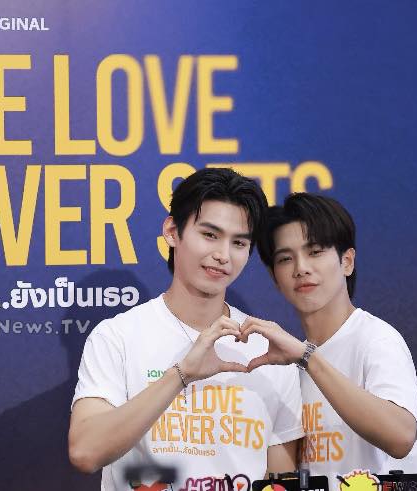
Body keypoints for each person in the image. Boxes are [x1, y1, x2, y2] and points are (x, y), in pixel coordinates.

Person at [69, 168, 305, 490]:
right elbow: (85, 452)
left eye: (238, 242)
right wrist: (181, 375)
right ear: (172, 231)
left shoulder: (266, 351)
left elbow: (280, 481)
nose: (222, 255)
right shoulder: (118, 336)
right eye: (210, 235)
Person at [240, 192, 417, 481]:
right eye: (286, 258)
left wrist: (307, 357)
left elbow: (401, 437)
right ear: (275, 278)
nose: (301, 268)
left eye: (315, 252)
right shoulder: (287, 364)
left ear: (347, 262)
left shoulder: (376, 339)